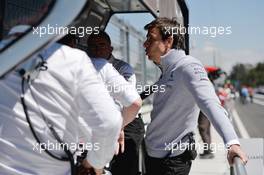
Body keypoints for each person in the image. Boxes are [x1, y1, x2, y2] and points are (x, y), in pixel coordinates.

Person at [0, 33, 123, 175]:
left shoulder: (6, 54)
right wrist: (94, 165)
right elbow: (109, 122)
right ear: (71, 43)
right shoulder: (75, 60)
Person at [143, 17, 248, 175]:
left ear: (169, 41)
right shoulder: (167, 69)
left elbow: (210, 104)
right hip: (152, 154)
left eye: (150, 39)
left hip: (172, 160)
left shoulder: (188, 66)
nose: (145, 44)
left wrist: (232, 142)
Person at [87, 31, 145, 175]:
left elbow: (126, 102)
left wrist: (117, 127)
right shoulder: (84, 67)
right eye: (93, 46)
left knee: (124, 168)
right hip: (101, 122)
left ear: (110, 49)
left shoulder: (123, 68)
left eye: (102, 45)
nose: (97, 49)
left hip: (127, 121)